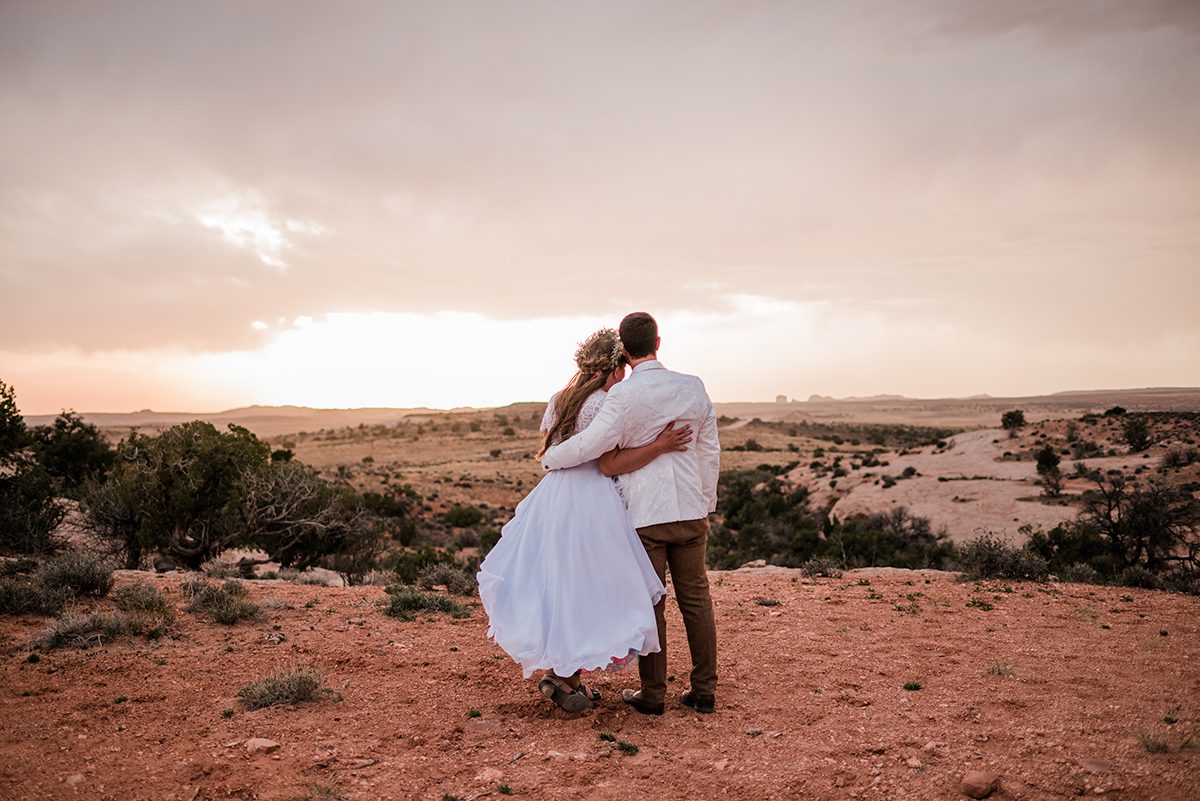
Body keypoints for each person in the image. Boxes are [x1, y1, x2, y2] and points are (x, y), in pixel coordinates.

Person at [477, 327, 692, 712]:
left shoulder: (559, 399)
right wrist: (659, 446)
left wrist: (555, 459)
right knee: (590, 587)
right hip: (593, 497)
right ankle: (562, 676)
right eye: (623, 365)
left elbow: (551, 441)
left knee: (560, 583)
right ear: (615, 367)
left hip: (554, 497)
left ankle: (566, 675)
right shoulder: (607, 402)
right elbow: (604, 458)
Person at [541, 312, 720, 715]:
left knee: (652, 603)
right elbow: (709, 450)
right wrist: (705, 501)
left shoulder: (623, 396)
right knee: (696, 598)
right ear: (660, 341)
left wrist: (552, 457)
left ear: (624, 349)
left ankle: (653, 696)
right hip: (690, 510)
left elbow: (593, 446)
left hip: (647, 514)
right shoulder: (693, 387)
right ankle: (704, 690)